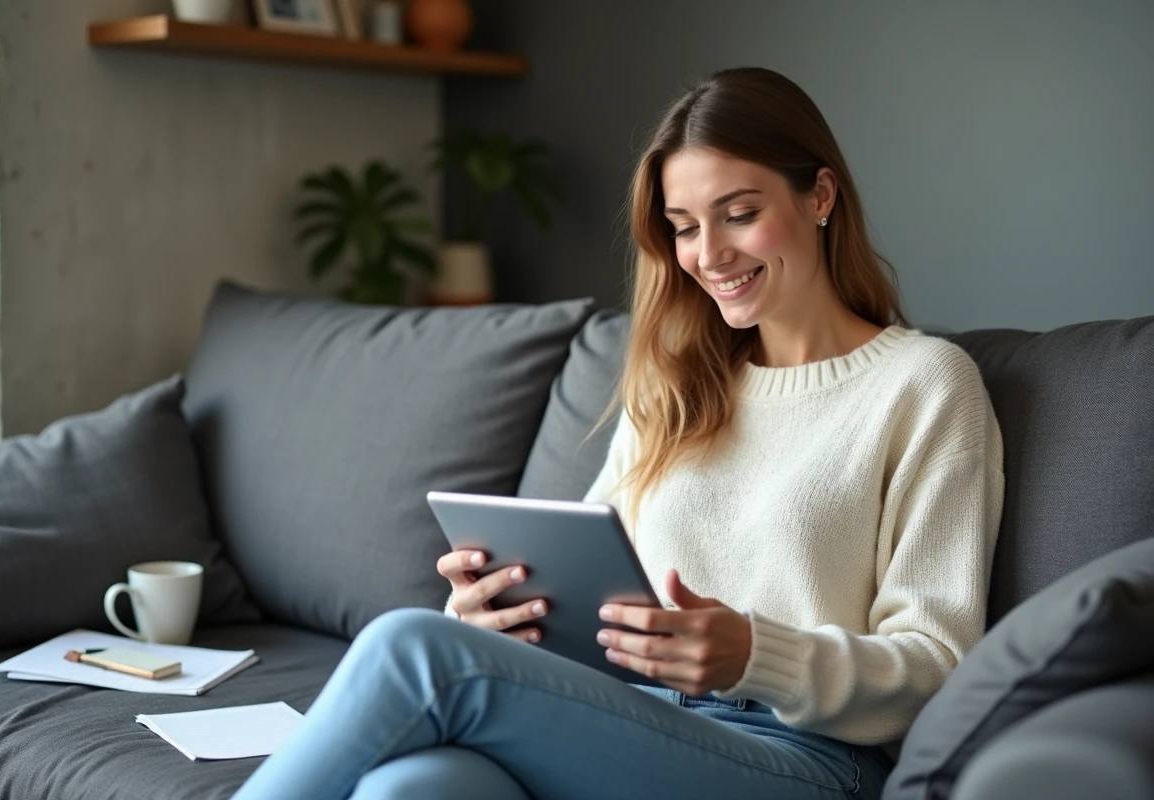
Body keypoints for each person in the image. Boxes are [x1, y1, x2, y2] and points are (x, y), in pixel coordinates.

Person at [233, 66, 1005, 800]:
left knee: (412, 649)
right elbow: (587, 587)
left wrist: (753, 655)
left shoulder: (924, 385)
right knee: (414, 786)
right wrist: (492, 618)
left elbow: (938, 665)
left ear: (820, 196)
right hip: (634, 722)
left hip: (806, 758)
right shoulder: (679, 383)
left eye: (740, 214)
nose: (710, 255)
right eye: (684, 227)